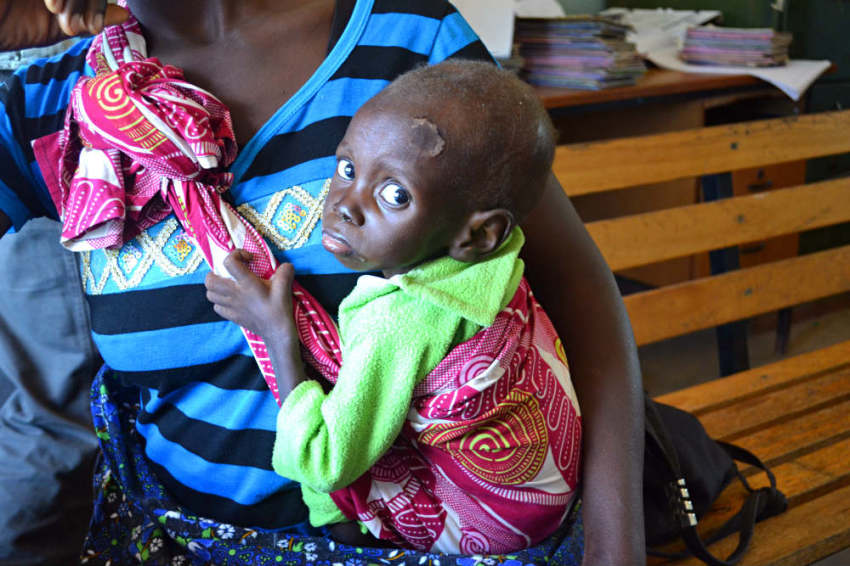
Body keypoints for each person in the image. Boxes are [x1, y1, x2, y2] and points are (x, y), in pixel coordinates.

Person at [0, 1, 644, 565]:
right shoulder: (58, 103)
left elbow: (575, 285)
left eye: (387, 192)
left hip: (424, 547)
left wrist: (616, 550)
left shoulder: (406, 35)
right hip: (185, 542)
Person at [205, 60, 583, 555]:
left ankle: (347, 544)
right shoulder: (496, 263)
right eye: (347, 168)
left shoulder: (398, 320)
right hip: (544, 497)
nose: (346, 203)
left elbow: (325, 460)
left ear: (478, 234)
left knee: (326, 483)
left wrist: (276, 332)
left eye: (394, 194)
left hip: (484, 527)